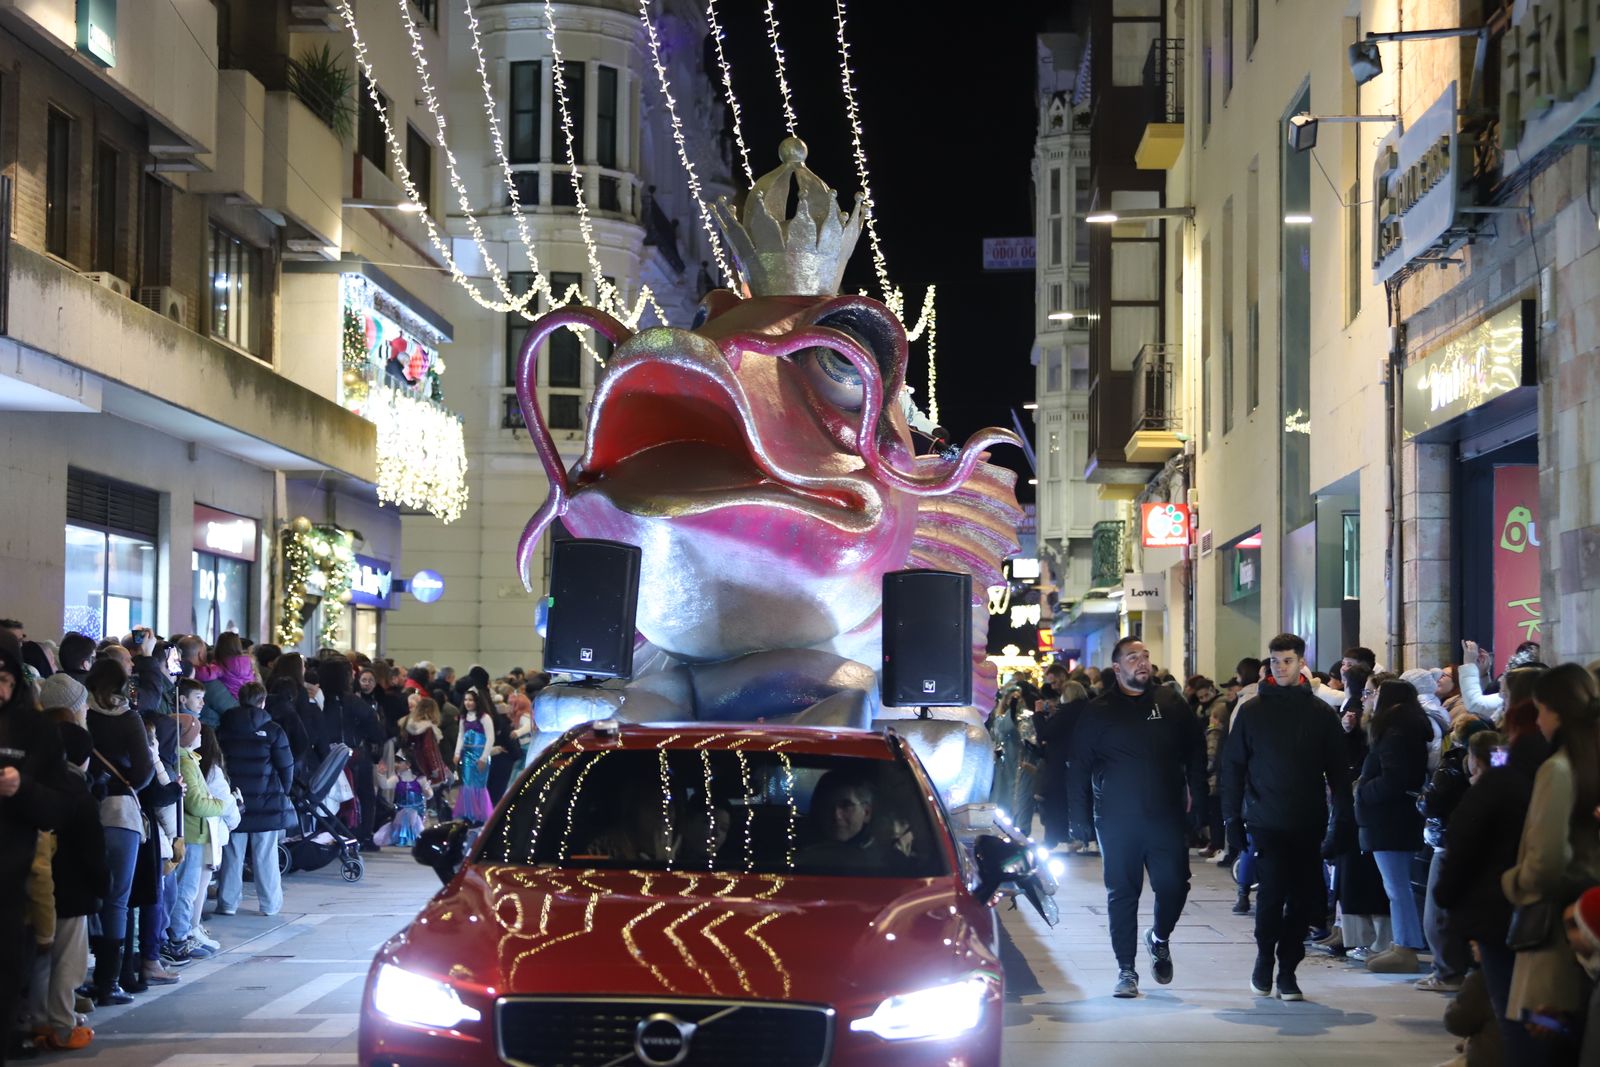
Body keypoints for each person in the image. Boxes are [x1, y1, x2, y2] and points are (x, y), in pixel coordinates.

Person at [1069, 637, 1207, 998]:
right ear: (1117, 668)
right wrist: (1078, 817)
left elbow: (1195, 749)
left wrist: (1200, 798)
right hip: (1116, 820)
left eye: (1145, 656)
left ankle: (1158, 938)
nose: (1142, 662)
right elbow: (1079, 765)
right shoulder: (1098, 711)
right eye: (1133, 658)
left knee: (1174, 886)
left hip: (1165, 815)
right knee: (1122, 893)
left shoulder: (1170, 701)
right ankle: (1126, 970)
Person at [1221, 633, 1350, 1001]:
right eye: (1275, 662)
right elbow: (1233, 766)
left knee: (1302, 899)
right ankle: (1265, 961)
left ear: (1301, 663)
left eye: (1287, 661)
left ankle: (1288, 968)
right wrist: (1232, 818)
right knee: (1272, 895)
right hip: (1266, 820)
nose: (1280, 667)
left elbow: (1339, 773)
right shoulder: (1252, 712)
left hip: (1308, 820)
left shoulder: (1321, 714)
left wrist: (1342, 819)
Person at [1436, 721, 1549, 1065]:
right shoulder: (1525, 779)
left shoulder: (1495, 786)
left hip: (1497, 908)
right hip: (1513, 909)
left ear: (1474, 759)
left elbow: (1464, 845)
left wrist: (1449, 898)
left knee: (1507, 1003)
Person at [1502, 664, 1600, 1062]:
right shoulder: (1587, 761)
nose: (1538, 720)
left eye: (1540, 710)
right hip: (1584, 924)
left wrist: (1513, 881)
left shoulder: (1558, 769)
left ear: (1554, 710)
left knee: (1541, 1040)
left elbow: (1544, 862)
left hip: (1557, 933)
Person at [27, 720, 104, 1051]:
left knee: (41, 960)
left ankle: (39, 1020)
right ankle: (62, 1025)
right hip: (74, 891)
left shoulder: (35, 788)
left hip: (36, 891)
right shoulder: (79, 795)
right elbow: (94, 852)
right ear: (82, 758)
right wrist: (104, 884)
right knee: (68, 964)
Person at [83, 657, 149, 1007]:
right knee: (118, 900)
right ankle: (109, 981)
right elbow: (144, 770)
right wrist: (128, 786)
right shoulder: (129, 718)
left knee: (83, 894)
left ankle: (82, 977)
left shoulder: (82, 714)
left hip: (84, 809)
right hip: (121, 811)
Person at [1356, 679, 1432, 974]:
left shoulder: (1395, 733)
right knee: (1398, 885)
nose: (1370, 699)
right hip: (1396, 817)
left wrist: (1363, 790)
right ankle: (1404, 942)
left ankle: (1405, 946)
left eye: (1374, 694)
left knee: (1397, 886)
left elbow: (1395, 779)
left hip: (1389, 818)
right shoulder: (1405, 729)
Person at [215, 683, 294, 917]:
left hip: (234, 801)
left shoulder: (224, 728)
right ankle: (270, 905)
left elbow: (219, 762)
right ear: (263, 701)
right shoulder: (273, 730)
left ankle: (228, 903)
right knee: (266, 855)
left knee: (232, 854)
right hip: (267, 801)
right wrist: (282, 792)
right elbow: (286, 766)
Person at [165, 714, 223, 963]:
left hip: (194, 833)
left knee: (186, 889)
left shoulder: (189, 759)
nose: (201, 736)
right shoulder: (186, 763)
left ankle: (182, 933)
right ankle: (179, 937)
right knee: (185, 890)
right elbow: (198, 803)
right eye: (196, 731)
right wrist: (219, 805)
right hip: (192, 835)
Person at [453, 686, 495, 824]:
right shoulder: (463, 717)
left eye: (471, 700)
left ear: (477, 701)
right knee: (467, 784)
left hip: (480, 754)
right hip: (467, 755)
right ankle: (469, 814)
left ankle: (479, 815)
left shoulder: (484, 717)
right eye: (466, 700)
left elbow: (490, 738)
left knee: (478, 784)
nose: (468, 702)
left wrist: (483, 757)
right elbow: (460, 735)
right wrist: (457, 752)